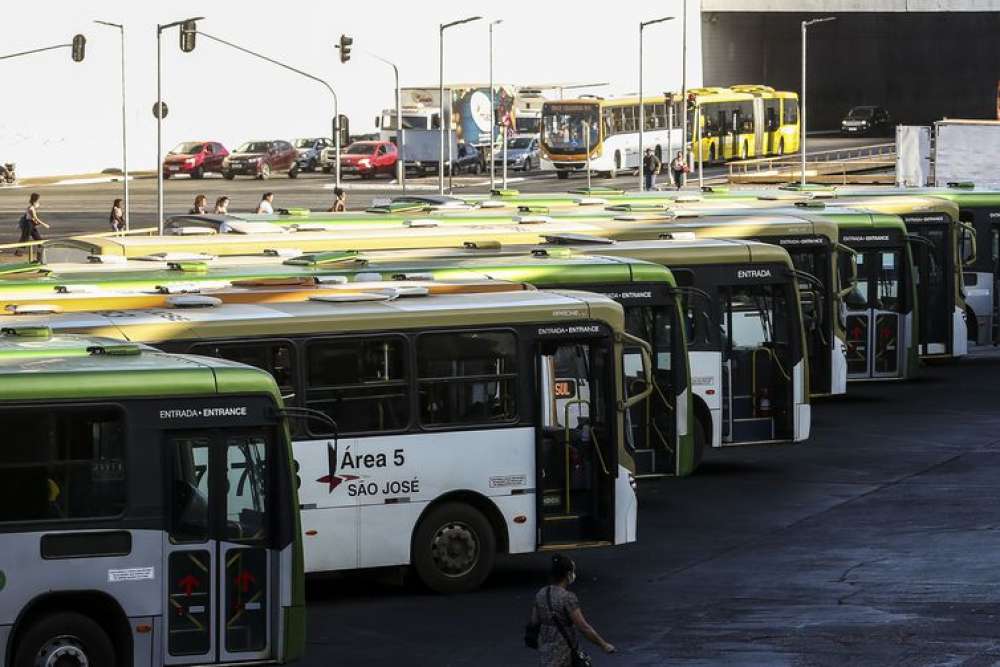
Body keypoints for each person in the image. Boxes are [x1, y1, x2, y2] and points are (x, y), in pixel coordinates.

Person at [529, 554, 615, 666]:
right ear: (568, 574)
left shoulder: (541, 593)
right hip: (564, 654)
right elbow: (584, 627)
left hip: (546, 652)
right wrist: (604, 645)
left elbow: (534, 621)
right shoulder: (568, 598)